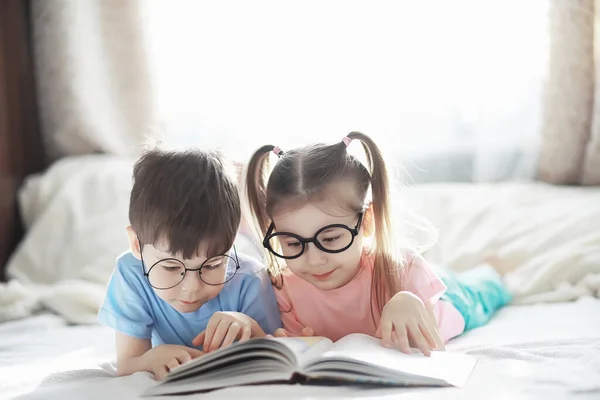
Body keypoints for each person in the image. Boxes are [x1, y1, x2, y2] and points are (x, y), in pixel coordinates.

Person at [244, 132, 511, 356]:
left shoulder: (404, 269)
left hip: (449, 301)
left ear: (368, 222)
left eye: (331, 238)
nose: (314, 260)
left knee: (481, 291)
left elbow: (432, 348)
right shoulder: (284, 288)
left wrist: (409, 300)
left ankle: (493, 269)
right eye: (292, 243)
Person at [98, 148, 282, 380]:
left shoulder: (249, 279)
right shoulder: (131, 275)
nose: (192, 287)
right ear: (137, 244)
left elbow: (275, 354)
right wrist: (149, 359)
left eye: (213, 264)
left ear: (232, 241)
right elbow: (127, 364)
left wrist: (250, 328)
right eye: (171, 267)